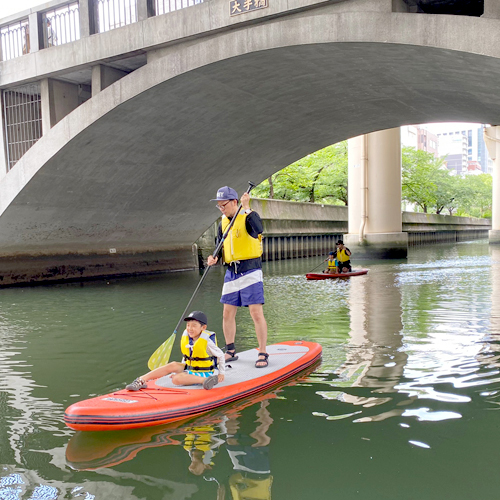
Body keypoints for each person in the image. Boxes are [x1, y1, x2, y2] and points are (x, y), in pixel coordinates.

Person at [207, 186, 269, 368]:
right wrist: (214, 257)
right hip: (231, 272)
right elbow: (219, 245)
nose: (221, 208)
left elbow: (259, 229)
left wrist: (247, 207)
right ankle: (231, 351)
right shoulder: (222, 223)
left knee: (255, 313)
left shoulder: (248, 217)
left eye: (223, 205)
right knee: (227, 313)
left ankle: (263, 352)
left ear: (234, 202)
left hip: (251, 270)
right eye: (218, 206)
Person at [125, 311, 225, 391]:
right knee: (173, 365)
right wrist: (184, 371)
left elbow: (221, 355)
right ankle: (141, 380)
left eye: (194, 325)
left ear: (203, 328)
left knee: (176, 379)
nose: (190, 328)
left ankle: (206, 381)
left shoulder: (207, 341)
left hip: (206, 372)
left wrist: (221, 373)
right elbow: (187, 356)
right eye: (188, 325)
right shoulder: (188, 337)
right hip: (191, 368)